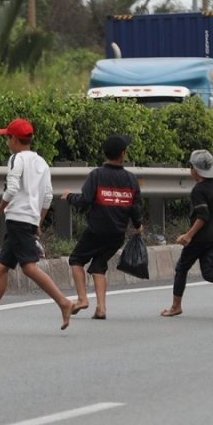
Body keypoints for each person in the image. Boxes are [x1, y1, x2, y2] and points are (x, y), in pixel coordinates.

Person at [0, 118, 75, 331]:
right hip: (28, 220)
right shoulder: (41, 162)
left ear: (14, 139)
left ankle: (64, 303)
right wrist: (39, 222)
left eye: (7, 138)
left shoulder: (16, 159)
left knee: (29, 267)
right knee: (1, 268)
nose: (7, 142)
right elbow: (48, 196)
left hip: (17, 220)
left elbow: (12, 188)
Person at [61, 134, 144, 320]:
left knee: (76, 259)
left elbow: (84, 199)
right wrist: (138, 225)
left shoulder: (97, 175)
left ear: (104, 154)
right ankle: (101, 308)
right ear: (123, 155)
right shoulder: (131, 179)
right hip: (117, 234)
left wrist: (69, 197)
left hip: (96, 230)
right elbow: (134, 206)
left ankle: (82, 299)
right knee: (99, 266)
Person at [161, 150, 213, 317]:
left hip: (200, 238)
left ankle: (176, 306)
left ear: (193, 169)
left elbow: (203, 216)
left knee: (181, 268)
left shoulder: (198, 190)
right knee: (208, 271)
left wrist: (189, 235)